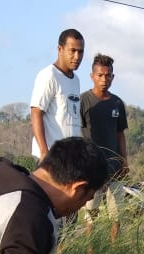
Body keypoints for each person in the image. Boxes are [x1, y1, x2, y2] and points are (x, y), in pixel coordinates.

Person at [80, 53, 129, 243]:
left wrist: (124, 160)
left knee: (116, 214)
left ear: (113, 77)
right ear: (92, 76)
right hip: (92, 168)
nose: (104, 79)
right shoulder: (84, 101)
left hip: (114, 168)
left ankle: (113, 250)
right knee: (91, 214)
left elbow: (120, 134)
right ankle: (90, 253)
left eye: (108, 75)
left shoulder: (117, 103)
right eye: (100, 75)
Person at [30, 29, 85, 161]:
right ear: (60, 49)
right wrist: (44, 152)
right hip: (51, 157)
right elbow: (36, 112)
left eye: (80, 51)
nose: (77, 56)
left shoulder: (75, 80)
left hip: (69, 157)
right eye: (72, 50)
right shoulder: (49, 75)